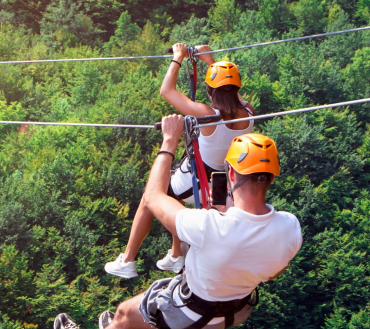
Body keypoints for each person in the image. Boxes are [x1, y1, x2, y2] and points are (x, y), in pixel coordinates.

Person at [55, 115, 302, 329]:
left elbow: (152, 197)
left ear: (230, 172)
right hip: (234, 312)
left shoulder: (209, 226)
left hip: (192, 312)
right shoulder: (290, 228)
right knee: (165, 320)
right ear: (272, 178)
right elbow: (273, 272)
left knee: (124, 315)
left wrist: (169, 141)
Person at [105, 44, 257, 279]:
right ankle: (176, 255)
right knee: (175, 198)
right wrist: (210, 62)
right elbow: (231, 92)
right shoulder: (249, 113)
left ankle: (127, 260)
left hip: (197, 178)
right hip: (220, 181)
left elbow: (166, 91)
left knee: (150, 196)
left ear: (209, 89)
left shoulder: (206, 114)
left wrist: (177, 57)